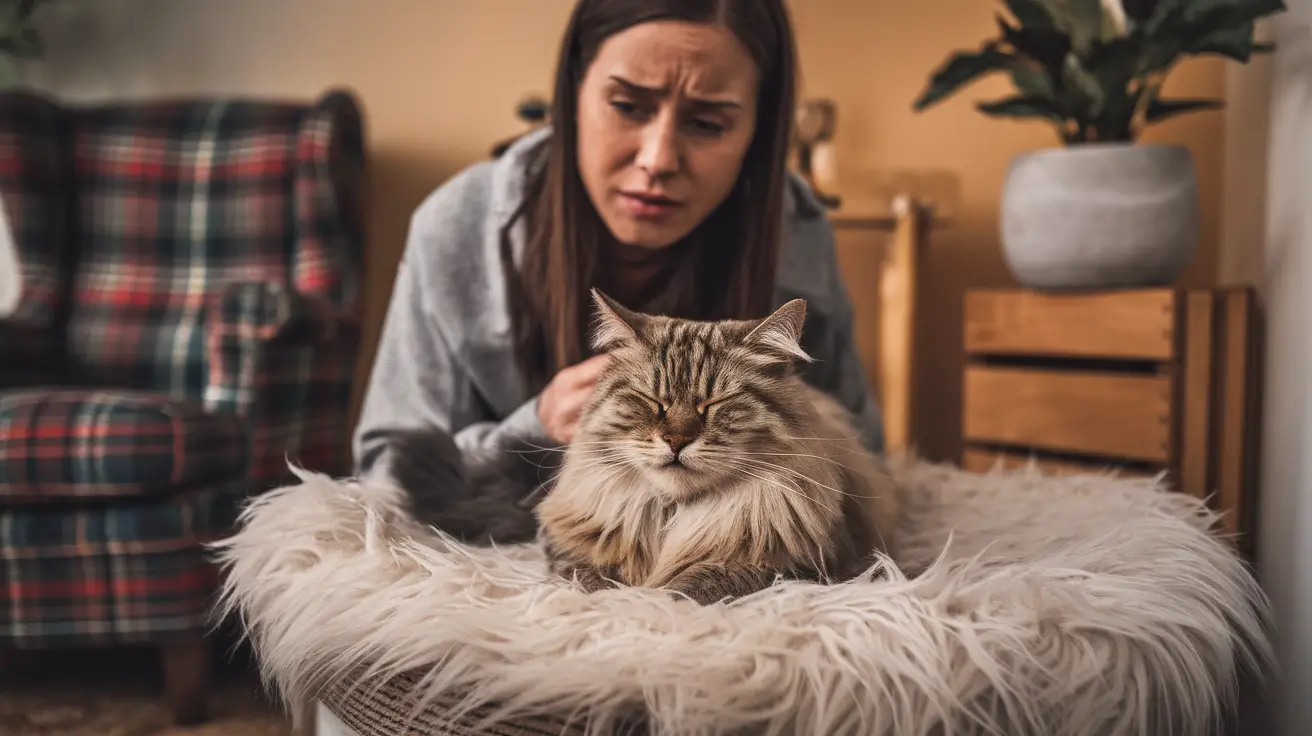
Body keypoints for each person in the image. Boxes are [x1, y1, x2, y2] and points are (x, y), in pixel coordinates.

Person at [352, 0, 885, 510]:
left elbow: (867, 455)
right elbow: (382, 472)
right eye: (628, 107)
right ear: (573, 95)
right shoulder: (459, 226)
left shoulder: (796, 230)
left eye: (707, 124)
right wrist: (535, 427)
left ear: (758, 133)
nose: (658, 159)